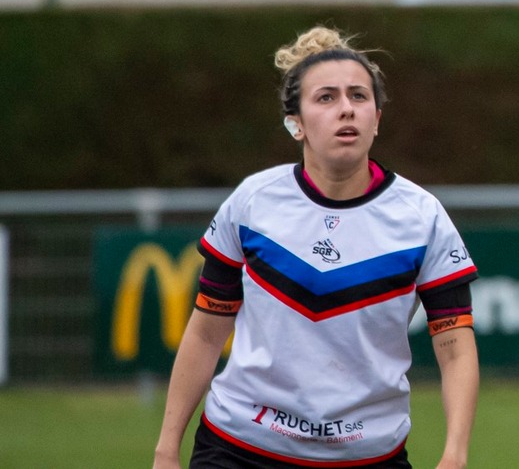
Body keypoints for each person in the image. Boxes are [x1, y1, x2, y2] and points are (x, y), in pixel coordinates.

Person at [152, 28, 478, 469]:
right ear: (296, 124)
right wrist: (167, 447)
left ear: (377, 118)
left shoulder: (422, 217)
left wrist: (455, 454)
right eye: (326, 98)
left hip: (368, 457)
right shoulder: (252, 202)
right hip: (238, 450)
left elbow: (456, 346)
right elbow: (207, 331)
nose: (346, 108)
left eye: (359, 97)